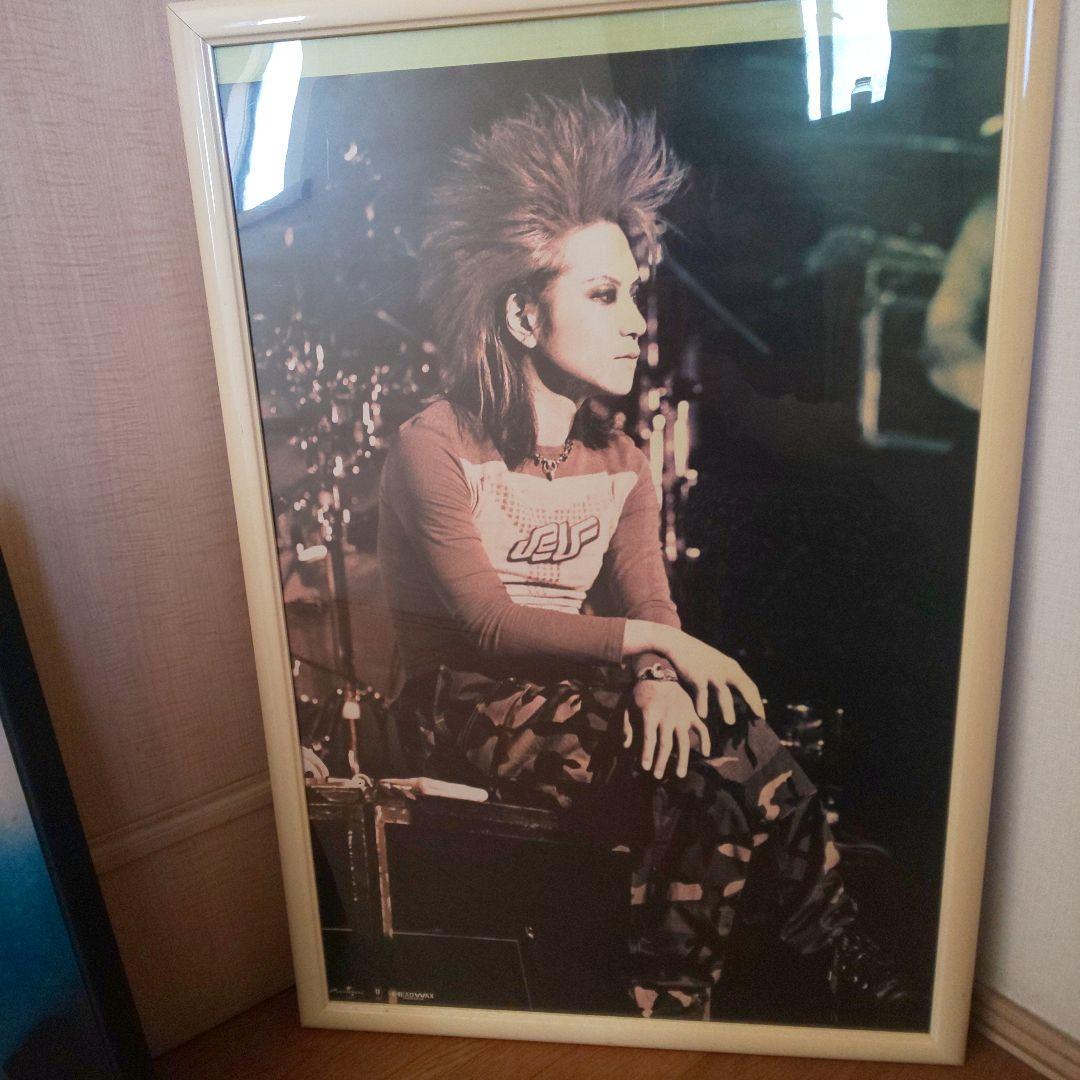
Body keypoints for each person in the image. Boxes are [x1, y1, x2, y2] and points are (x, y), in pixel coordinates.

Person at [378, 94, 918, 1023]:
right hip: (454, 705)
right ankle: (704, 992)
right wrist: (652, 652)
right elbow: (489, 626)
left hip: (571, 695)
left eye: (633, 292)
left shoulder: (621, 457)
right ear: (523, 315)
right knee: (715, 764)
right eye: (603, 295)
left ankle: (743, 979)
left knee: (739, 744)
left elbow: (651, 606)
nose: (635, 320)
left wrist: (659, 677)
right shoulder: (435, 444)